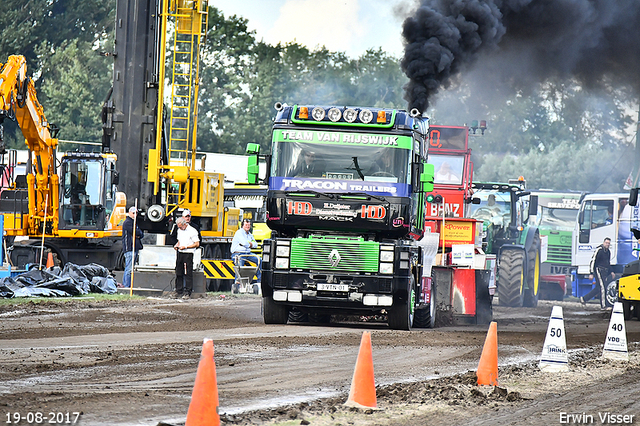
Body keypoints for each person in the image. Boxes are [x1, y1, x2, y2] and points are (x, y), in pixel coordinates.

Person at [581, 237, 615, 310]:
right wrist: (591, 273)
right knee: (603, 287)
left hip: (604, 271)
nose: (607, 244)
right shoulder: (599, 250)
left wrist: (611, 271)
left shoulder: (608, 252)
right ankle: (603, 306)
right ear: (603, 243)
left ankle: (584, 299)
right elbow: (593, 261)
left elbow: (608, 263)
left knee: (598, 288)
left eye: (608, 243)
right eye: (606, 243)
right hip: (598, 270)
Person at [173, 216, 200, 298]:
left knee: (188, 272)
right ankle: (178, 290)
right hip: (180, 252)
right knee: (178, 271)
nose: (180, 228)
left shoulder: (192, 231)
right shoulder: (179, 230)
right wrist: (177, 245)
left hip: (188, 252)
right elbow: (179, 240)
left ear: (184, 224)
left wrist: (186, 247)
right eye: (179, 227)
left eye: (181, 227)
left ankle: (188, 291)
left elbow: (197, 243)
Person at [231, 218, 262, 286]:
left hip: (247, 253)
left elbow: (255, 244)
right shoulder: (239, 233)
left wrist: (249, 244)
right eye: (246, 225)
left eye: (249, 225)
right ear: (242, 226)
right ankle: (238, 284)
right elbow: (245, 243)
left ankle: (260, 281)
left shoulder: (250, 235)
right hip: (238, 253)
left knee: (259, 260)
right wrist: (250, 244)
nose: (248, 226)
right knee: (239, 266)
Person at [122, 206, 144, 288]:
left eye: (136, 213)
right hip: (130, 248)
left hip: (135, 247)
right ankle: (126, 285)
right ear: (129, 213)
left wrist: (138, 234)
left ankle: (128, 284)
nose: (135, 215)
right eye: (133, 213)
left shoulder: (134, 222)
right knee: (129, 268)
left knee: (131, 268)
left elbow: (140, 234)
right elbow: (136, 232)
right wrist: (137, 234)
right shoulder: (128, 222)